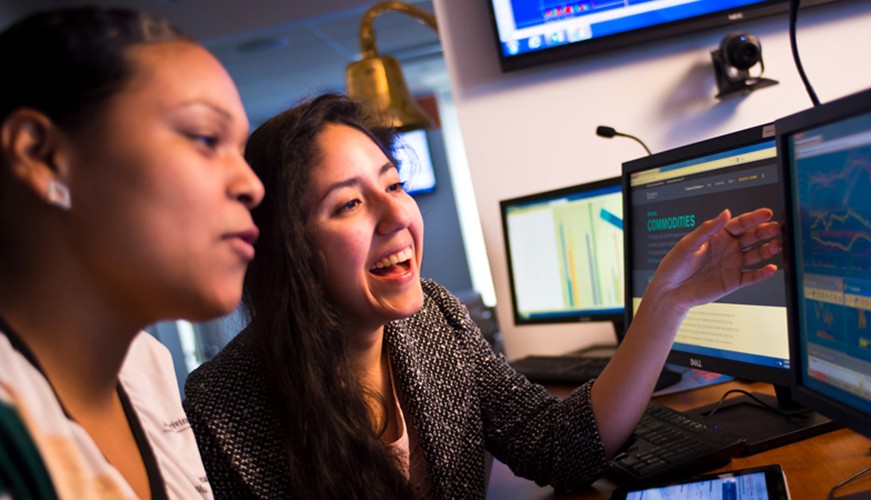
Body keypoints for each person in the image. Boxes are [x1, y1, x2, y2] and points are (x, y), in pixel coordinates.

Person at [183, 93, 781, 499]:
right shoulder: (224, 410)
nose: (398, 214)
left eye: (395, 184)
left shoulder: (434, 320)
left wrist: (666, 305)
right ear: (287, 249)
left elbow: (559, 448)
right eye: (350, 203)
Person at [0, 6, 264, 499]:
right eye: (205, 139)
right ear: (42, 155)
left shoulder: (149, 368)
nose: (252, 186)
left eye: (241, 153)